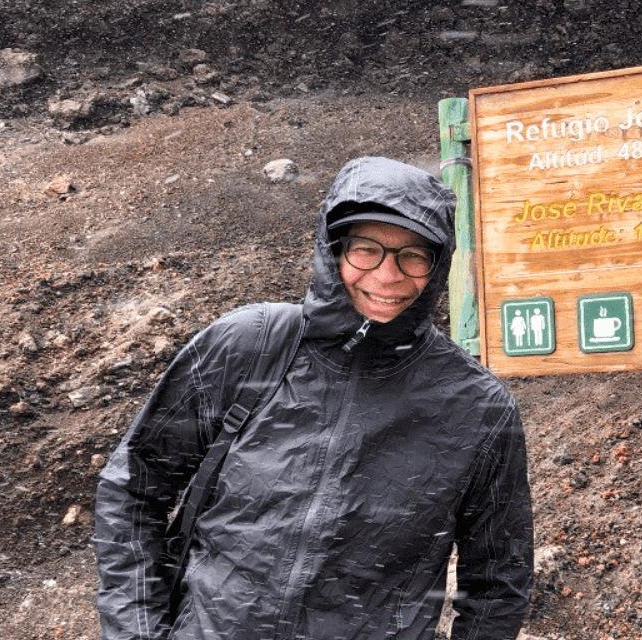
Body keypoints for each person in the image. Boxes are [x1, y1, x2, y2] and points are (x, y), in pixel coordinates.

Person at [94, 157, 534, 640]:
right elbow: (135, 485)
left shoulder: (475, 406)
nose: (387, 276)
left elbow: (497, 579)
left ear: (438, 266)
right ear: (333, 250)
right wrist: (138, 630)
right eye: (366, 250)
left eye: (414, 255)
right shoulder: (251, 344)